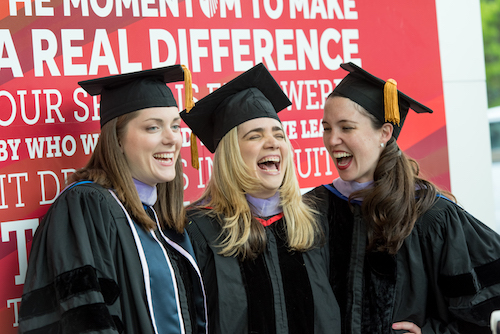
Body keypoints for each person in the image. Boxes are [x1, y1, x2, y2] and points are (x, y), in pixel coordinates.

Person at [307, 62, 500, 334]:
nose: (332, 139)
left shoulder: (432, 216)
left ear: (384, 133)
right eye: (327, 128)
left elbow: (487, 309)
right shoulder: (314, 209)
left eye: (346, 128)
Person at [18, 65, 207, 334]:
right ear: (116, 140)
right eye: (153, 127)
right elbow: (85, 316)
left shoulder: (162, 216)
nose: (171, 139)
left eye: (175, 126)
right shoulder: (85, 206)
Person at [180, 63, 340, 334]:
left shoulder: (313, 223)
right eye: (255, 136)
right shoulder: (198, 231)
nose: (273, 142)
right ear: (230, 153)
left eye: (279, 134)